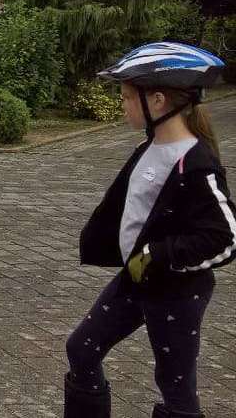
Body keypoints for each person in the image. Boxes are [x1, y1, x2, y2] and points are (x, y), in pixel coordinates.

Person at [64, 42, 232, 418]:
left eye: (126, 96)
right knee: (82, 349)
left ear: (157, 101)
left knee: (176, 386)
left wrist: (158, 254)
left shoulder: (196, 163)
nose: (122, 104)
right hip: (137, 277)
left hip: (177, 291)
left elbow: (225, 237)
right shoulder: (149, 147)